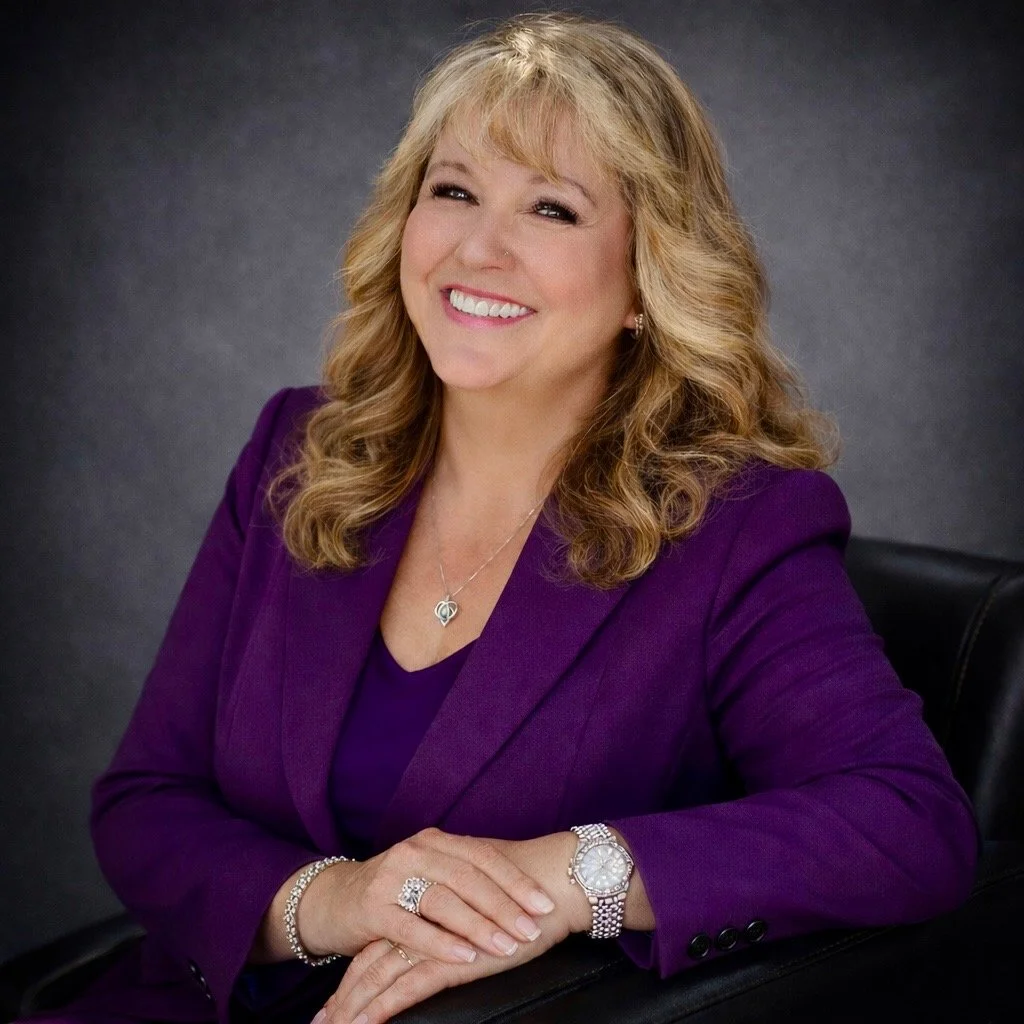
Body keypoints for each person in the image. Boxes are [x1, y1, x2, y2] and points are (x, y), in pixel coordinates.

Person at [32, 12, 978, 1024]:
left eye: (552, 210)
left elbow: (907, 823)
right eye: (453, 191)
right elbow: (146, 801)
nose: (479, 248)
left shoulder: (736, 524)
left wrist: (574, 877)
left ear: (644, 282)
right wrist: (337, 900)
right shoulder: (296, 451)